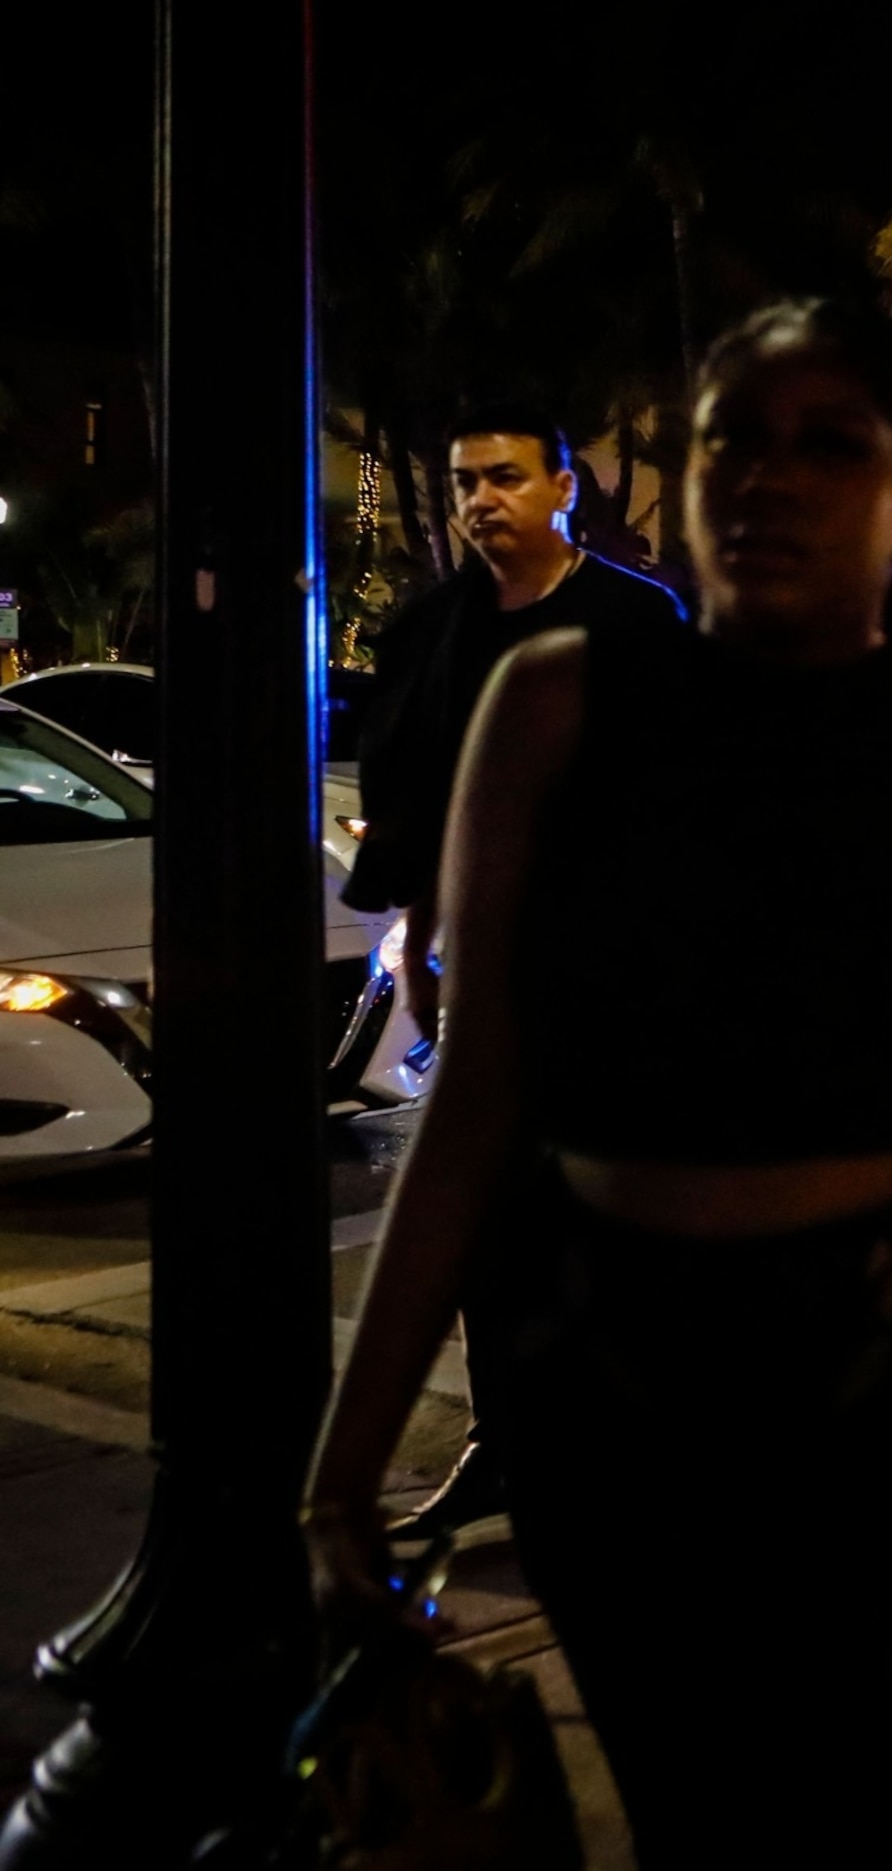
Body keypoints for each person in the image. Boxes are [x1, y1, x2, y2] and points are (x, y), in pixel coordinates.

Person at [303, 299, 892, 1868]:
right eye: (731, 444)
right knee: (697, 1820)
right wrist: (345, 1466)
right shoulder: (556, 705)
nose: (768, 480)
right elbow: (476, 1094)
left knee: (869, 1831)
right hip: (622, 1390)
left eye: (827, 445)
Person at [343, 399, 685, 1540]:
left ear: (561, 489)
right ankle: (502, 1445)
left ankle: (616, 1457)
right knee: (487, 1227)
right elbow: (425, 803)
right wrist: (425, 948)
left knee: (606, 1223)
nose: (482, 499)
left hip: (613, 978)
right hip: (487, 976)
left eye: (504, 477)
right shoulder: (441, 627)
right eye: (463, 482)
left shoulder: (633, 621)